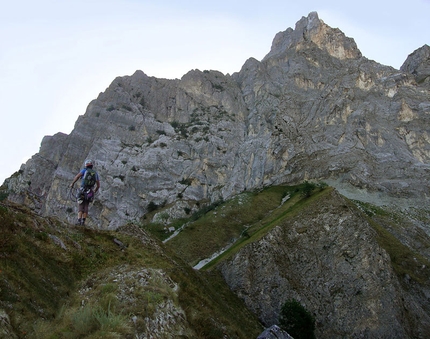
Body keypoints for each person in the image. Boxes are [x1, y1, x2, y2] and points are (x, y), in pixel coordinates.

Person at [70, 159, 100, 226]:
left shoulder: (84, 170)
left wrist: (72, 183)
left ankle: (79, 220)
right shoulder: (95, 173)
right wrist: (94, 191)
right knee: (86, 205)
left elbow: (77, 176)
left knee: (81, 204)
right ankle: (83, 221)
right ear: (92, 166)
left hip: (82, 190)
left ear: (86, 165)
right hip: (90, 191)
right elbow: (98, 185)